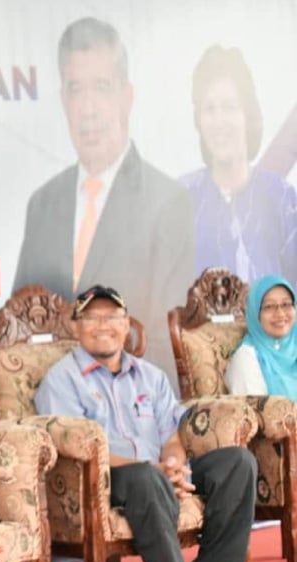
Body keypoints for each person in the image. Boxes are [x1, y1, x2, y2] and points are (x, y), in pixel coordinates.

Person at [34, 285, 256, 562]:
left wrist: (175, 467)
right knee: (146, 479)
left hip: (156, 473)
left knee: (238, 463)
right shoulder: (62, 380)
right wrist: (154, 471)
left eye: (112, 317)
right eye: (91, 318)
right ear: (75, 326)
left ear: (126, 325)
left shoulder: (151, 376)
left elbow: (170, 438)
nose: (103, 326)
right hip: (106, 479)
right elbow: (74, 449)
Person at [12, 16, 195, 389]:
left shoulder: (168, 202)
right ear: (63, 101)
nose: (88, 107)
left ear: (126, 97)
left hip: (131, 420)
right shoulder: (42, 205)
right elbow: (16, 329)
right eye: (76, 89)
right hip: (48, 421)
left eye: (101, 87)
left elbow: (166, 345)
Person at [180, 45, 297, 284]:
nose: (219, 121)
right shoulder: (180, 202)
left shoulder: (283, 201)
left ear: (248, 114)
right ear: (198, 121)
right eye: (209, 109)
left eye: (230, 107)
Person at [225, 274, 296, 398]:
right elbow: (254, 413)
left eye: (286, 304)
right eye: (269, 307)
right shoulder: (246, 358)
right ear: (255, 314)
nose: (280, 313)